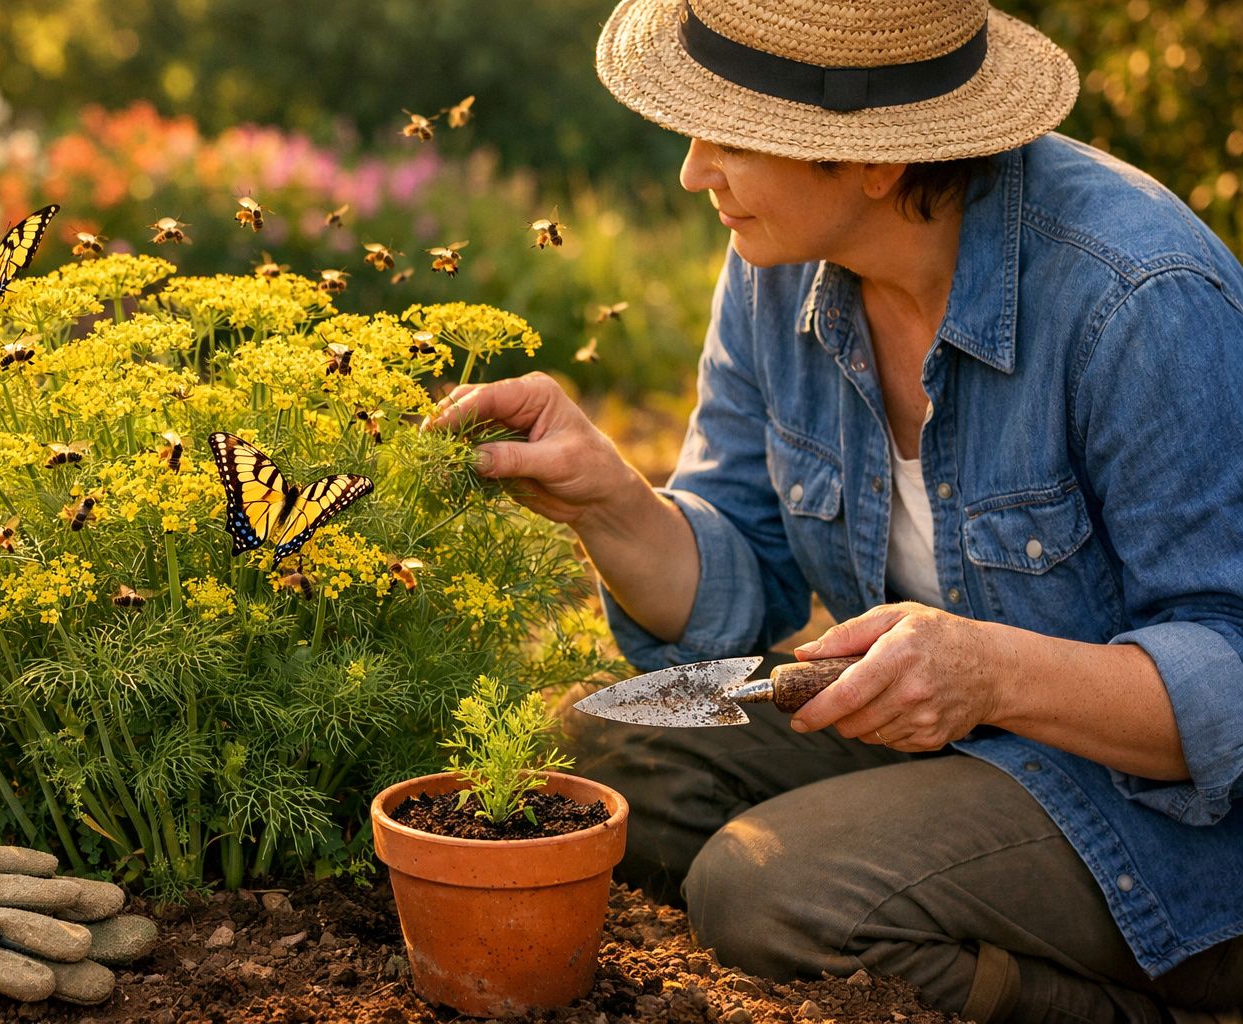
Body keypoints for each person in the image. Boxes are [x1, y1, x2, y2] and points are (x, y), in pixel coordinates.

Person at [423, 1, 1243, 1021]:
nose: (691, 171)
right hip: (952, 743)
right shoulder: (782, 264)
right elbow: (744, 577)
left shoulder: (1138, 296)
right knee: (599, 757)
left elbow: (1231, 680)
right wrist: (613, 502)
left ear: (872, 162)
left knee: (764, 888)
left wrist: (985, 671)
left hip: (1163, 818)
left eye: (728, 134)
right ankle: (941, 900)